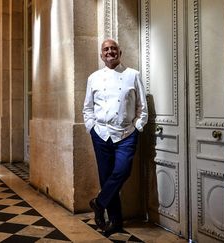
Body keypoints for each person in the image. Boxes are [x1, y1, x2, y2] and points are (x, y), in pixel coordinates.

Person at [82, 39, 148, 237]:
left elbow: (142, 107)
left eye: (113, 48)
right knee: (106, 178)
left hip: (126, 134)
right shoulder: (93, 78)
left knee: (122, 171)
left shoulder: (133, 75)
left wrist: (137, 127)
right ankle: (115, 221)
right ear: (101, 55)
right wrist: (91, 127)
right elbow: (87, 108)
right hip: (101, 134)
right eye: (106, 49)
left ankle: (98, 203)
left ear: (120, 52)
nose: (109, 52)